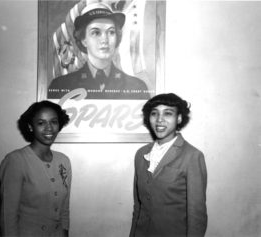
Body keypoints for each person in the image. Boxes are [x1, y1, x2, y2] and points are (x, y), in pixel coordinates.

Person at [130, 93, 208, 237]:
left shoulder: (192, 156)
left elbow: (197, 214)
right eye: (154, 113)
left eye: (168, 113)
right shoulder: (141, 154)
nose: (160, 120)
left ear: (179, 118)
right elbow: (138, 207)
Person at [48, 2, 150, 100]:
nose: (105, 40)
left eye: (111, 32)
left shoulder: (137, 87)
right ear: (84, 40)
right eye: (96, 33)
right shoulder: (60, 86)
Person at [0, 101, 71, 237]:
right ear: (31, 127)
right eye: (41, 123)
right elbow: (7, 216)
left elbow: (64, 210)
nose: (49, 128)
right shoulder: (16, 160)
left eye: (54, 122)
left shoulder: (64, 161)